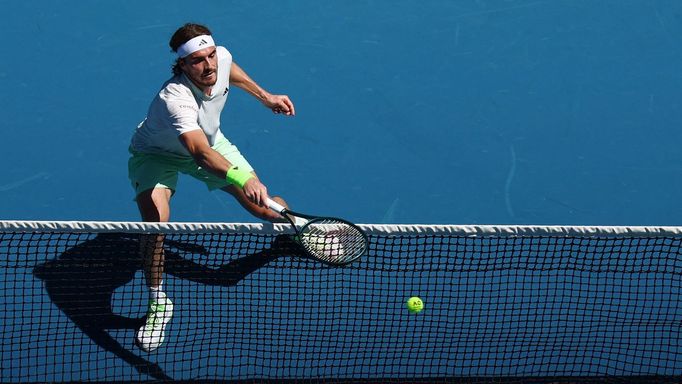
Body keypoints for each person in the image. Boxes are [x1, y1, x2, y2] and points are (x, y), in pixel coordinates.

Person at [127, 23, 295, 352]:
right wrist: (241, 178)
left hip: (212, 144)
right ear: (182, 65)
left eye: (211, 55)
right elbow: (200, 154)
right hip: (159, 156)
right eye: (199, 61)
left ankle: (295, 226)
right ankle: (159, 301)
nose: (210, 66)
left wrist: (266, 97)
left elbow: (231, 70)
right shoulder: (175, 99)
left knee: (264, 209)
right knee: (154, 224)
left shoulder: (221, 59)